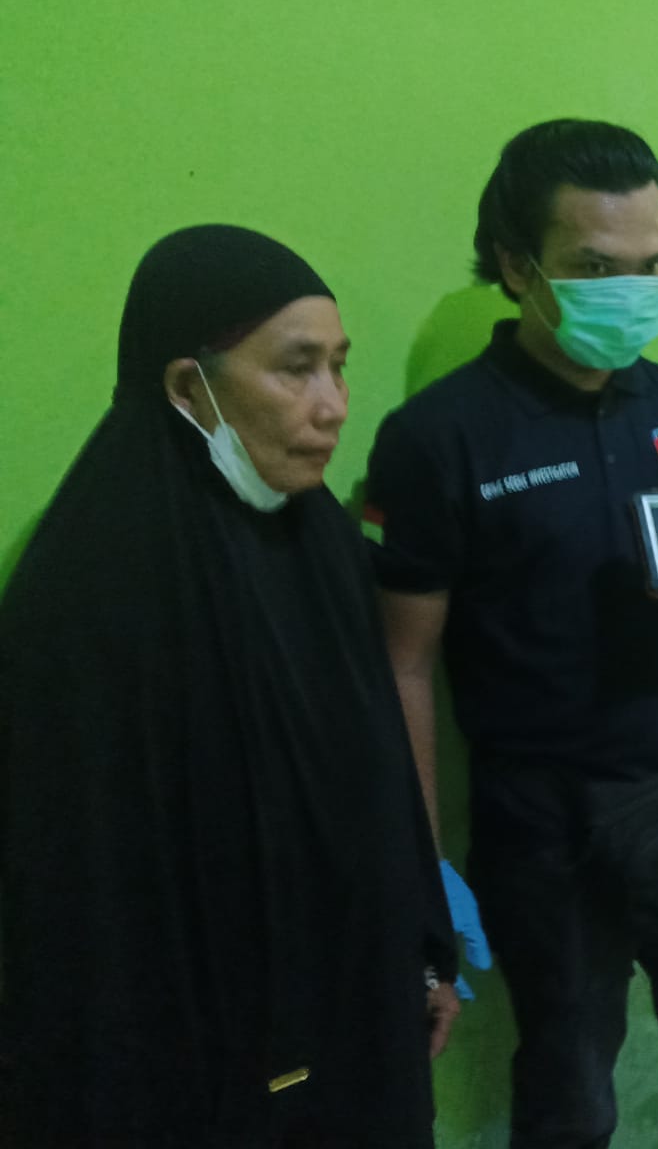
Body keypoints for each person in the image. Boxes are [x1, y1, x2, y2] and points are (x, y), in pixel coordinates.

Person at [364, 118, 658, 1149]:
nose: (630, 291)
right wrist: (422, 861)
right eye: (596, 268)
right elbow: (403, 663)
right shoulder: (439, 436)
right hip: (544, 828)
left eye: (651, 265)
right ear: (517, 266)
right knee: (570, 1100)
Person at [0, 225, 459, 1148]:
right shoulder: (92, 581)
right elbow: (80, 885)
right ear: (186, 386)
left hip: (353, 1010)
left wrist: (422, 944)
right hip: (190, 1046)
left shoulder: (322, 543)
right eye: (297, 369)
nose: (333, 406)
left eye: (339, 366)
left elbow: (374, 775)